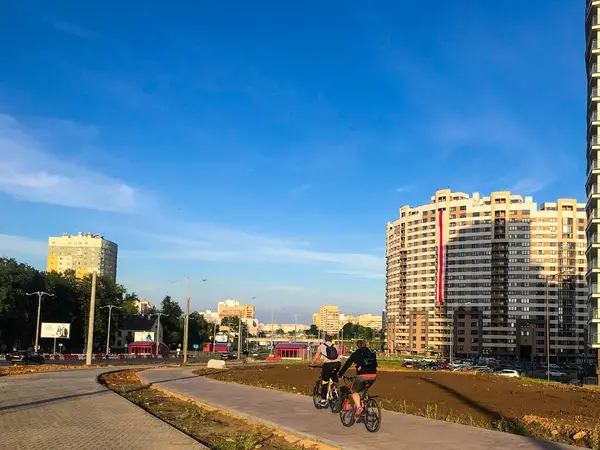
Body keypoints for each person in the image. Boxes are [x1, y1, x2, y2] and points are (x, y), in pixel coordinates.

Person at [339, 340, 377, 418]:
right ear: (366, 345)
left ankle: (359, 407)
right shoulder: (372, 353)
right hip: (373, 376)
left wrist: (340, 374)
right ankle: (365, 402)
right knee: (363, 390)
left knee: (354, 391)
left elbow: (346, 365)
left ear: (357, 346)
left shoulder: (355, 354)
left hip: (362, 376)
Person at [310, 335, 342, 406]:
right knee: (334, 376)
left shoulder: (322, 346)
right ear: (331, 340)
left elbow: (317, 356)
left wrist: (312, 363)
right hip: (337, 364)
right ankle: (335, 390)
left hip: (328, 365)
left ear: (325, 340)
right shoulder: (335, 346)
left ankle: (323, 399)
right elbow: (338, 356)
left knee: (325, 381)